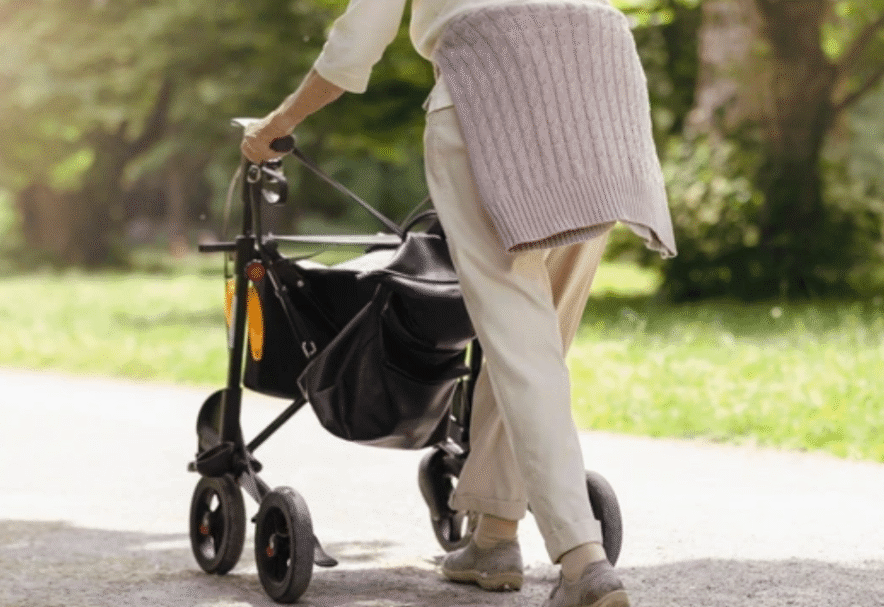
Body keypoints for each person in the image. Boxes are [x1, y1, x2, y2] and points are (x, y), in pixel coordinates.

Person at [241, 1, 677, 606]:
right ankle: (496, 534)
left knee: (521, 345)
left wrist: (275, 126)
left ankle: (583, 561)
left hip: (495, 99)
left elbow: (356, 45)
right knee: (533, 342)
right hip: (601, 98)